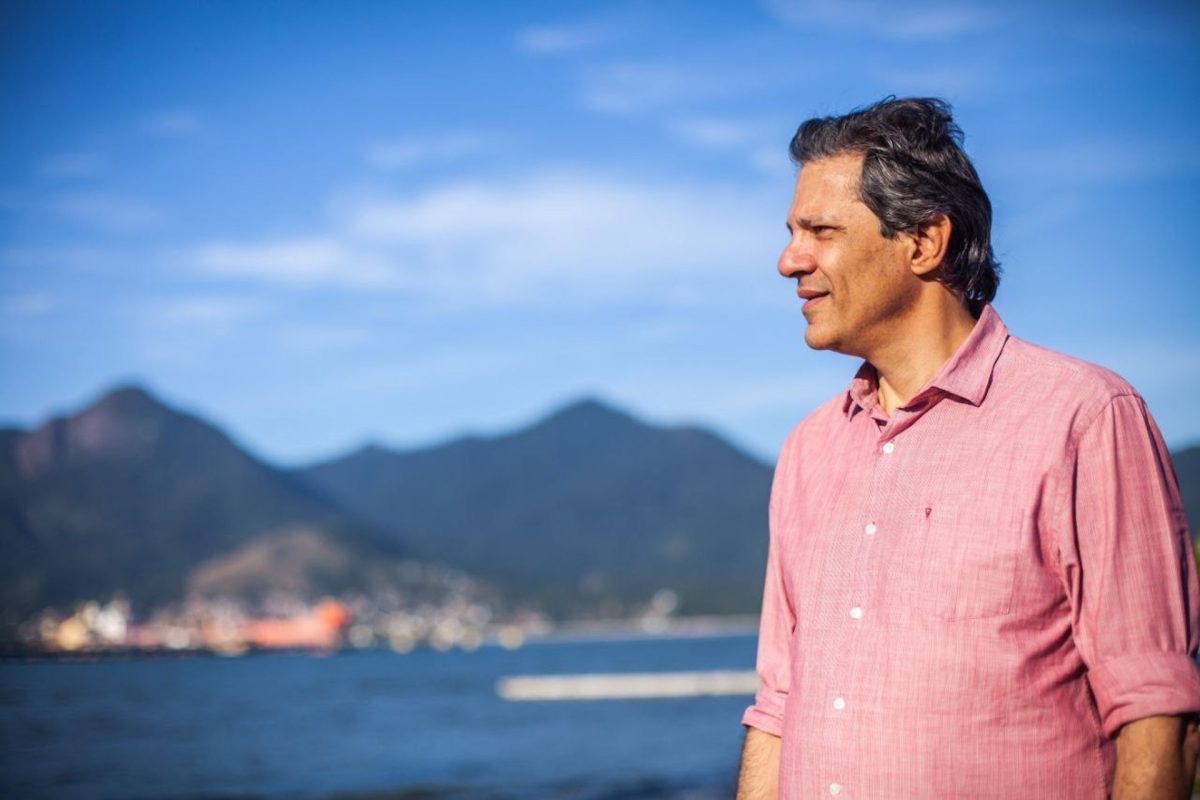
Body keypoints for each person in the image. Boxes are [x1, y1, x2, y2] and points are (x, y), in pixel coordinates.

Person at [736, 97, 1200, 799]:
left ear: (924, 240)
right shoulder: (807, 450)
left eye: (820, 230)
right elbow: (778, 707)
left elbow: (1158, 717)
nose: (787, 260)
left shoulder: (1085, 417)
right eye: (792, 232)